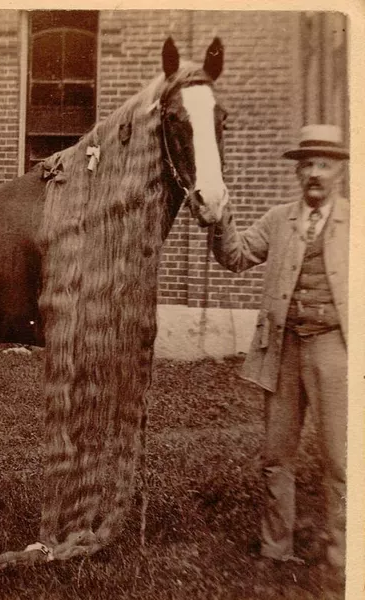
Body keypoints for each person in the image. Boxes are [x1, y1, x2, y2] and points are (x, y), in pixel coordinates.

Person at [209, 124, 348, 575]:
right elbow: (236, 256)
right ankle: (275, 545)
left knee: (341, 457)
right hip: (283, 348)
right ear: (297, 173)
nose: (314, 173)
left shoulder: (357, 220)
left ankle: (344, 551)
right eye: (307, 164)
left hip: (335, 349)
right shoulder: (278, 219)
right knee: (276, 454)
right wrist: (218, 214)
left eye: (324, 165)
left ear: (339, 173)